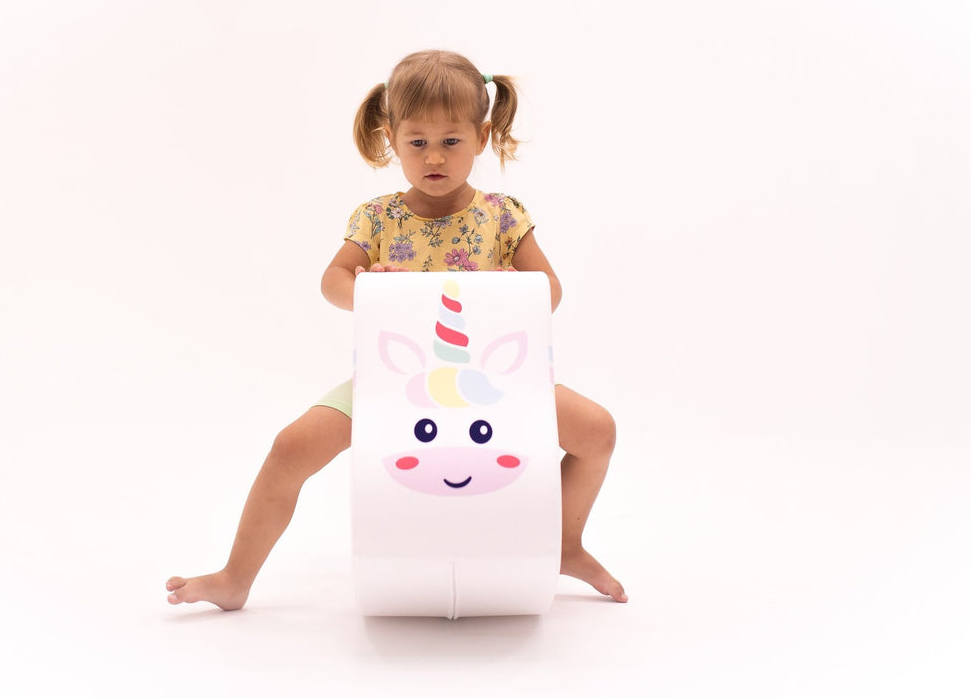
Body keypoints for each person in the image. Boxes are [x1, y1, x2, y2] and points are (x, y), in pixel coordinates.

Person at [166, 50, 626, 609]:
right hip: (393, 381)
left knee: (597, 432)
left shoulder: (503, 216)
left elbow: (550, 290)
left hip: (494, 381)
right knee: (289, 448)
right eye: (417, 142)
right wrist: (366, 284)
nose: (434, 156)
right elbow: (332, 281)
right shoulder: (377, 218)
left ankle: (565, 544)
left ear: (481, 137)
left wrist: (513, 286)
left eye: (451, 141)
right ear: (392, 139)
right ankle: (234, 578)